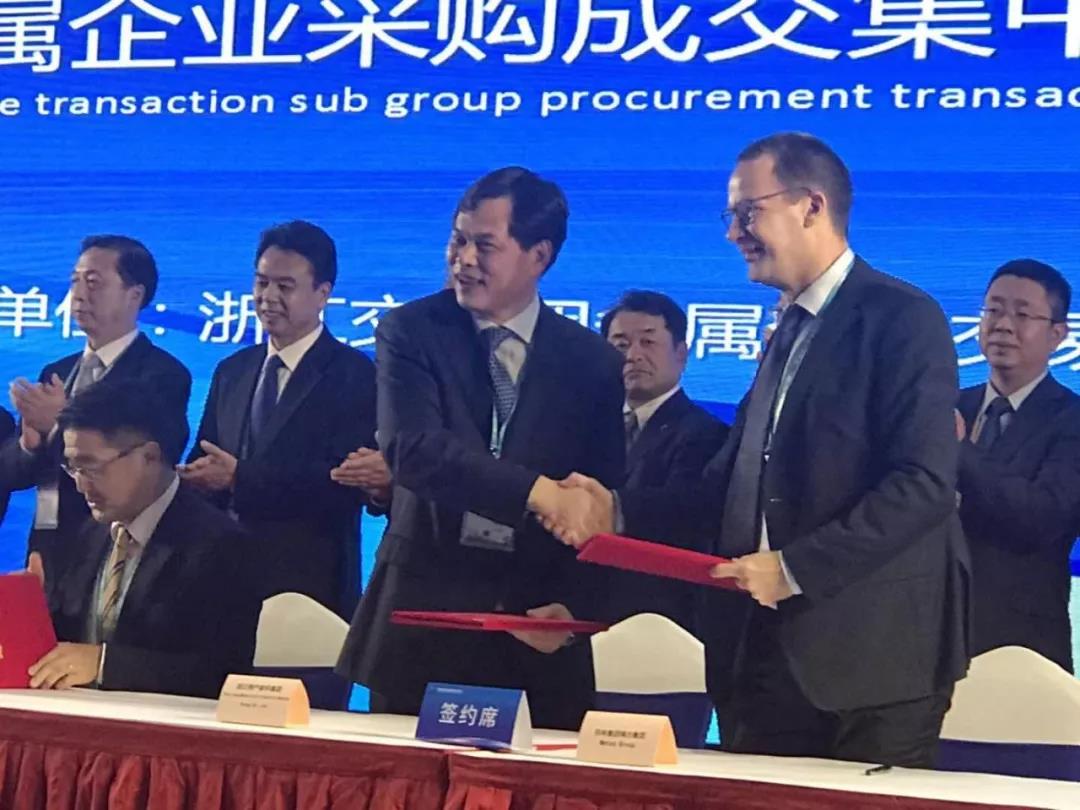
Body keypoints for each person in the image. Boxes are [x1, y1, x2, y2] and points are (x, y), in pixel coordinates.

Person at [539, 133, 969, 767]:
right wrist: (617, 511)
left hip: (873, 665)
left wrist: (793, 568)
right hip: (761, 654)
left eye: (747, 213)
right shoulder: (786, 330)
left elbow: (923, 484)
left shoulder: (903, 316)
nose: (733, 233)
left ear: (811, 206)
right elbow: (729, 484)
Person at [336, 167, 625, 730]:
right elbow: (413, 450)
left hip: (534, 631)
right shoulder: (411, 330)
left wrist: (576, 607)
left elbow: (599, 497)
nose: (464, 259)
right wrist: (539, 493)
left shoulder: (591, 362)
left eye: (485, 245)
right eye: (458, 240)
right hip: (423, 620)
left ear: (538, 256)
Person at [180, 221, 377, 617]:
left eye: (285, 286)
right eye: (261, 282)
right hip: (223, 581)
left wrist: (240, 478)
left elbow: (344, 483)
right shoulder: (232, 370)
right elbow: (207, 453)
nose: (268, 297)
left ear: (323, 293)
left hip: (308, 586)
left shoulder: (356, 374)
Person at [28, 379, 258, 699]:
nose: (80, 485)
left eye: (91, 467)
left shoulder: (220, 545)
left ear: (149, 456)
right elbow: (67, 644)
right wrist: (30, 612)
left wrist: (105, 664)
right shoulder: (86, 535)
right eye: (72, 468)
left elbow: (221, 672)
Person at [0, 236, 190, 595]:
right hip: (48, 546)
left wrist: (58, 427)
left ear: (134, 295)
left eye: (94, 283)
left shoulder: (162, 374)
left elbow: (152, 467)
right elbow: (15, 473)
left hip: (116, 549)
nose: (79, 295)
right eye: (75, 281)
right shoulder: (57, 371)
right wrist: (29, 443)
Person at [956, 259, 1080, 673]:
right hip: (926, 640)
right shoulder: (946, 406)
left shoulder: (1071, 420)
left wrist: (958, 450)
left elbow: (1042, 517)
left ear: (1058, 334)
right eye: (993, 310)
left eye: (1022, 314)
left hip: (1021, 648)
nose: (1003, 325)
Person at [600, 290, 728, 632]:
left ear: (681, 354)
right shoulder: (587, 426)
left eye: (648, 342)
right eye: (620, 344)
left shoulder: (706, 433)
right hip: (584, 612)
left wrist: (605, 507)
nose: (633, 356)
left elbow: (686, 513)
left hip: (662, 618)